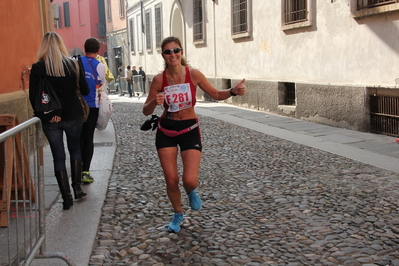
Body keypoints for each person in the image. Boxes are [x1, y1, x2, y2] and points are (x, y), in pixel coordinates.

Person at [142, 36, 246, 233]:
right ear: (163, 55)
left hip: (190, 129)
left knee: (189, 180)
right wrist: (154, 102)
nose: (172, 54)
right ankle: (177, 213)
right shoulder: (159, 79)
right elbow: (146, 111)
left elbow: (215, 94)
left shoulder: (194, 74)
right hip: (166, 130)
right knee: (171, 179)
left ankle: (191, 191)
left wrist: (233, 91)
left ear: (181, 52)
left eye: (176, 50)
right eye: (168, 51)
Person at [29, 32, 90, 210]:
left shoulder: (38, 68)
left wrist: (48, 114)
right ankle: (77, 188)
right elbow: (84, 89)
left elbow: (34, 97)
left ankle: (66, 198)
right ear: (61, 45)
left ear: (43, 46)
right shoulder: (73, 65)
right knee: (75, 150)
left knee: (58, 157)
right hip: (73, 115)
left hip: (51, 117)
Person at [79, 37, 106, 183]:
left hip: (77, 106)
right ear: (98, 51)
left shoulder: (75, 62)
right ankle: (85, 171)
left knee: (78, 138)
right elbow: (100, 85)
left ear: (84, 48)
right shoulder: (100, 66)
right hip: (92, 106)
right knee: (88, 138)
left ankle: (77, 169)